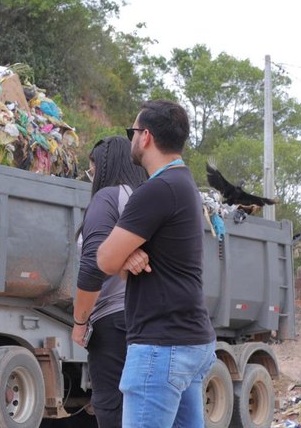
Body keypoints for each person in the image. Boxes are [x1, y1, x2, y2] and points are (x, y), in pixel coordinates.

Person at [97, 100, 216, 428]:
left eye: (132, 132)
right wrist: (128, 256)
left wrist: (122, 255)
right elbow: (128, 261)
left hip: (160, 348)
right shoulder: (184, 184)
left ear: (145, 136)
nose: (131, 139)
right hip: (191, 342)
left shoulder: (155, 190)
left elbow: (105, 260)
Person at [72, 136, 147, 428]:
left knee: (111, 406)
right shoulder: (144, 198)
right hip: (146, 316)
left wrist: (80, 321)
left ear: (103, 166)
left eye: (92, 167)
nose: (90, 174)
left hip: (112, 321)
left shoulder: (108, 198)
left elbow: (92, 265)